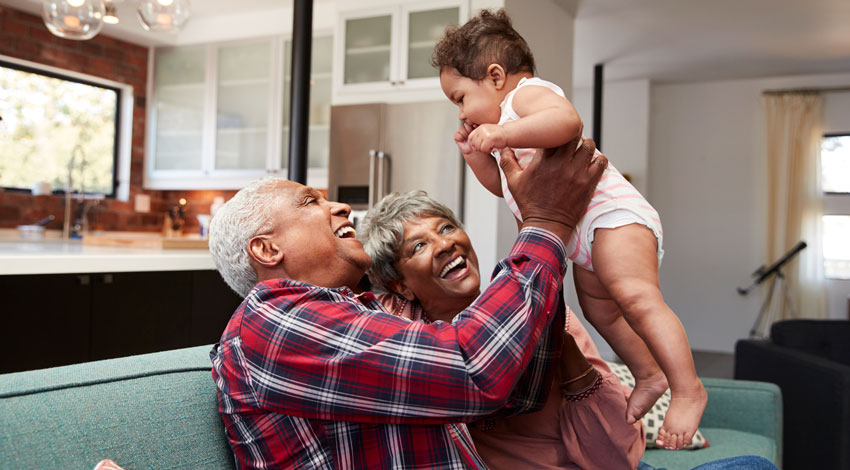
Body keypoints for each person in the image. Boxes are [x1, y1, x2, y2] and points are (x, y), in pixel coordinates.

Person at [207, 139, 608, 469]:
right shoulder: (275, 321)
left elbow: (515, 393)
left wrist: (536, 224)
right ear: (266, 249)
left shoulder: (354, 311)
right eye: (310, 202)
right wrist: (545, 226)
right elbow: (473, 371)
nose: (341, 207)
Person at [433, 8, 706, 449]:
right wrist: (474, 156)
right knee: (603, 312)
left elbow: (568, 122)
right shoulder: (504, 124)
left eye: (460, 97)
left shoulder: (525, 98)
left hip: (610, 215)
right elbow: (502, 187)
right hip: (580, 233)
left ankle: (689, 388)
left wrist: (502, 136)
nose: (460, 110)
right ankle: (648, 373)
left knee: (636, 297)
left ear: (496, 77)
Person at [357, 189, 645, 469]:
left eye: (445, 228)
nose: (444, 245)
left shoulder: (536, 312)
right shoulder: (406, 339)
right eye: (418, 246)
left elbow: (619, 458)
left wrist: (563, 348)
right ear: (401, 286)